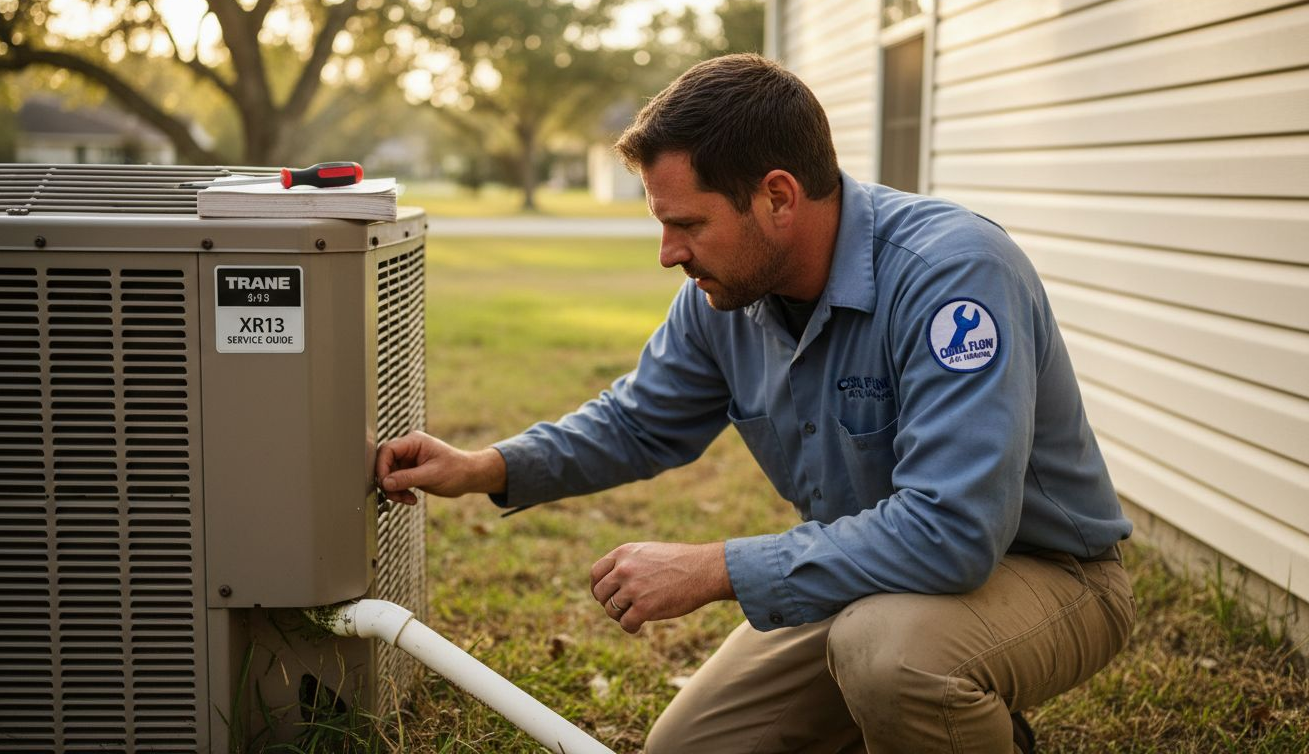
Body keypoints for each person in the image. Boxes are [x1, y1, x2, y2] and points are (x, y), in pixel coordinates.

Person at [376, 53, 1136, 754]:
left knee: (892, 657)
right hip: (869, 574)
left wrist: (717, 568)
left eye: (688, 224)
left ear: (777, 197)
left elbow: (953, 533)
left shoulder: (952, 275)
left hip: (1046, 574)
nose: (669, 253)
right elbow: (637, 421)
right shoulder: (725, 295)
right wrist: (484, 466)